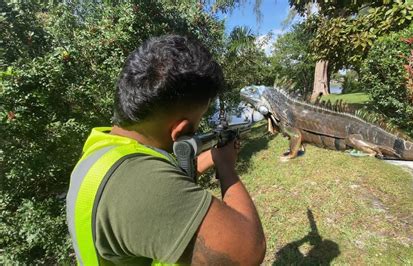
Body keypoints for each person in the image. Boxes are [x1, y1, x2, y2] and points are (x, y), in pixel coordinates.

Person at [66, 35, 266, 265]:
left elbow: (169, 179)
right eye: (197, 123)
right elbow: (248, 250)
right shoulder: (137, 181)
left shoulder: (103, 152)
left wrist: (212, 156)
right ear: (180, 130)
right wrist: (227, 167)